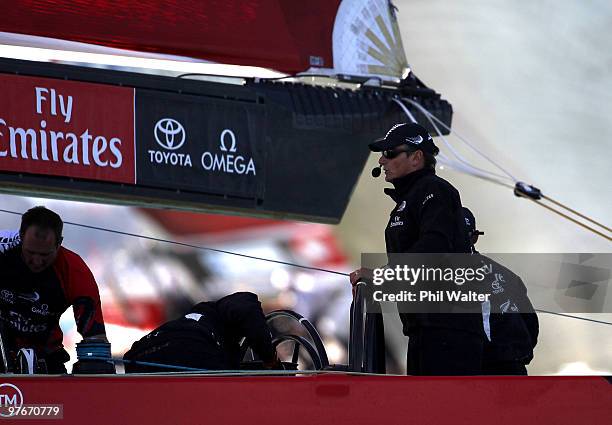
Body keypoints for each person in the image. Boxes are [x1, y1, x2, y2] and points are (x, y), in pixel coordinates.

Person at [350, 122, 484, 375]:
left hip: (449, 330)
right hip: (424, 329)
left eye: (390, 153)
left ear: (416, 157)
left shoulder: (435, 190)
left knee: (440, 411)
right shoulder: (409, 199)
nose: (381, 160)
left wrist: (382, 276)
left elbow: (433, 248)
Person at [0, 206, 107, 373]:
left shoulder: (75, 270)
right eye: (30, 252)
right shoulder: (3, 252)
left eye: (45, 255)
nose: (36, 261)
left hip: (47, 353)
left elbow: (95, 336)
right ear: (20, 237)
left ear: (59, 243)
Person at [462, 207, 539, 375]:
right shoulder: (506, 274)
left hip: (483, 369)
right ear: (474, 237)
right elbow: (530, 324)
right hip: (510, 366)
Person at [124, 292, 279, 372]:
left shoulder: (201, 320)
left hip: (139, 356)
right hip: (192, 347)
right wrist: (270, 360)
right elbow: (247, 311)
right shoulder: (240, 303)